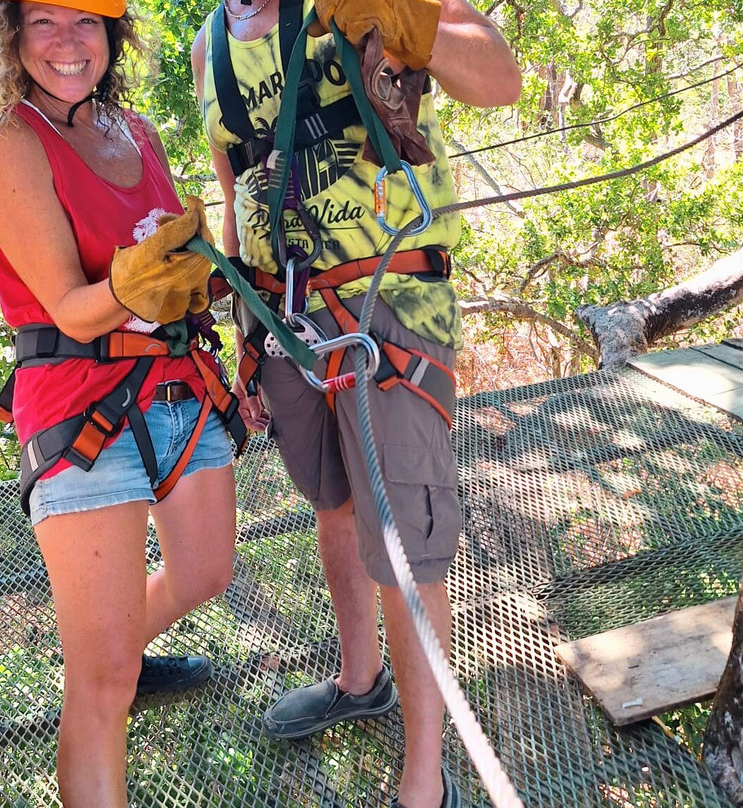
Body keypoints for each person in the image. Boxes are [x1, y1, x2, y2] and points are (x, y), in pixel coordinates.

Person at [192, 2, 521, 806]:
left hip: (390, 312)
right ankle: (358, 674)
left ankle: (424, 776)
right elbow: (239, 189)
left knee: (405, 540)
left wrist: (408, 25)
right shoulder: (208, 45)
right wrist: (241, 320)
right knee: (332, 501)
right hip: (284, 320)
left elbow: (500, 80)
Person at [0, 0, 240, 805]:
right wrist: (129, 281)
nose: (68, 42)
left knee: (205, 572)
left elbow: (179, 272)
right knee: (105, 685)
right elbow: (67, 306)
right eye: (45, 21)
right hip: (80, 405)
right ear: (13, 36)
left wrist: (202, 277)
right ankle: (104, 677)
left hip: (176, 389)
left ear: (112, 36)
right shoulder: (11, 145)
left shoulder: (139, 134)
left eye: (86, 23)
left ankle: (110, 655)